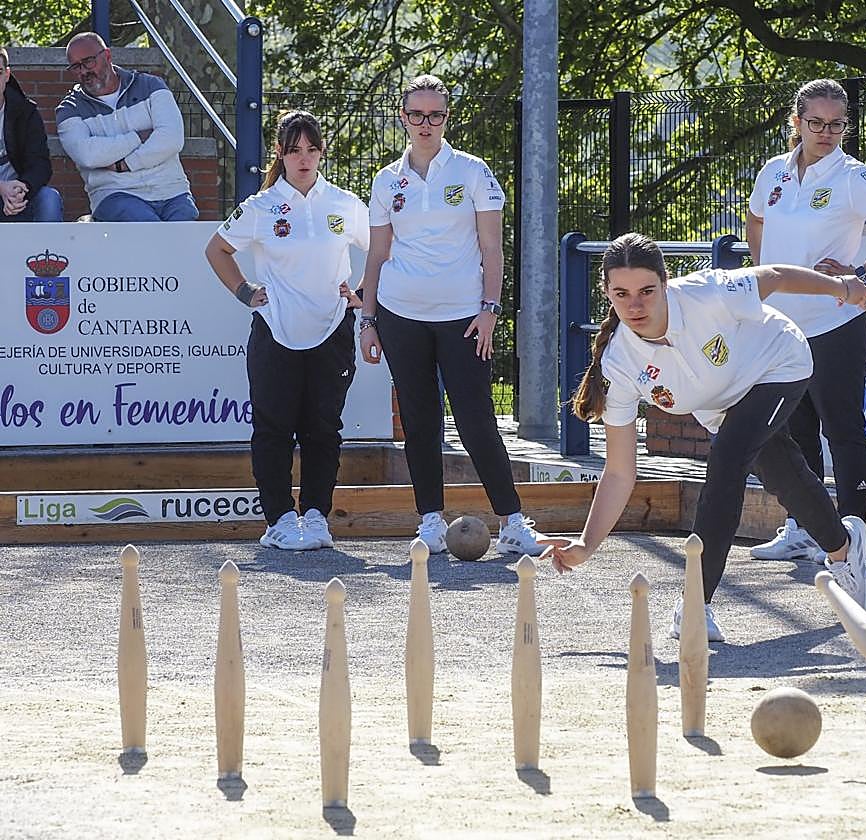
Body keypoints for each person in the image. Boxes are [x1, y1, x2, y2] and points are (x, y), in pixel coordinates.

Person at [539, 233, 866, 642]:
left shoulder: (705, 293)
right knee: (782, 473)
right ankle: (845, 548)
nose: (635, 306)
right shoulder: (620, 363)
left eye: (647, 291)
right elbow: (618, 473)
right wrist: (586, 545)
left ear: (665, 283)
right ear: (607, 294)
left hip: (777, 364)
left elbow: (775, 275)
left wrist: (843, 287)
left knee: (728, 460)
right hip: (721, 405)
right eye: (621, 294)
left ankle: (694, 604)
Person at [358, 74, 545, 557]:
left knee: (476, 421)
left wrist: (490, 310)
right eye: (416, 114)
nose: (426, 123)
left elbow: (492, 248)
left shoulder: (473, 171)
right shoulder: (386, 179)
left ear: (447, 117)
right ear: (403, 117)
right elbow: (377, 254)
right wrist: (368, 320)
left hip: (465, 317)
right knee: (419, 421)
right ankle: (429, 522)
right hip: (400, 316)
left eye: (435, 115)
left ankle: (513, 522)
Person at [746, 79, 866, 563]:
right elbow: (755, 221)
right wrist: (764, 275)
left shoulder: (852, 176)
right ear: (796, 122)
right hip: (782, 327)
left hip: (834, 323)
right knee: (791, 430)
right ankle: (803, 527)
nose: (826, 133)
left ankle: (854, 534)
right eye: (816, 123)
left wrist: (860, 275)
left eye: (837, 124)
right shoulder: (773, 171)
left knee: (842, 429)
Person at [205, 110, 369, 550]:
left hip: (332, 330)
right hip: (275, 331)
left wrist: (361, 294)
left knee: (323, 429)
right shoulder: (260, 207)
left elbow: (383, 249)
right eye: (294, 150)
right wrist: (245, 291)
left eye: (312, 149)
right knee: (273, 429)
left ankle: (315, 516)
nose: (304, 159)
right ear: (279, 152)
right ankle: (278, 520)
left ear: (322, 153)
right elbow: (217, 249)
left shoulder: (345, 204)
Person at [56, 33, 199, 222]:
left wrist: (124, 165)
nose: (83, 71)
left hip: (172, 191)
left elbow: (172, 139)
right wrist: (137, 137)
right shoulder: (69, 108)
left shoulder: (151, 85)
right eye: (76, 67)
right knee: (148, 228)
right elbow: (87, 155)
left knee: (185, 229)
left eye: (88, 62)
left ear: (107, 55)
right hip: (115, 195)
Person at [1, 47, 63, 222]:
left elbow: (40, 163)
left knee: (49, 199)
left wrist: (23, 188)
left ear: (7, 75)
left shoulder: (25, 111)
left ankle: (49, 244)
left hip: (16, 196)